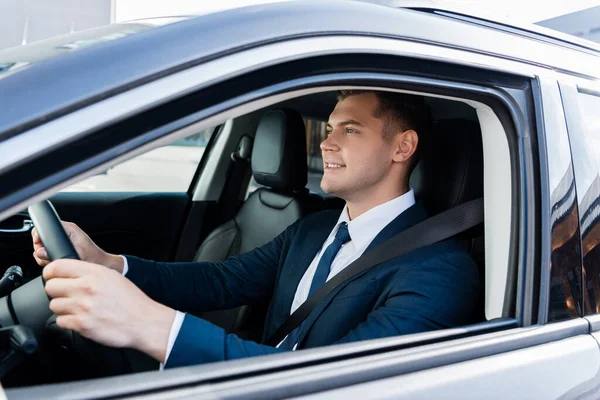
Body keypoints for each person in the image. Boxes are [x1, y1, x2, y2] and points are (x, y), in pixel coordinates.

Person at [32, 90, 479, 369]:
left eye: (350, 129)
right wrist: (110, 264)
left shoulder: (439, 270)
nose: (326, 142)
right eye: (327, 128)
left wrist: (152, 326)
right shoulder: (315, 228)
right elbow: (220, 280)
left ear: (403, 147)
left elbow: (328, 381)